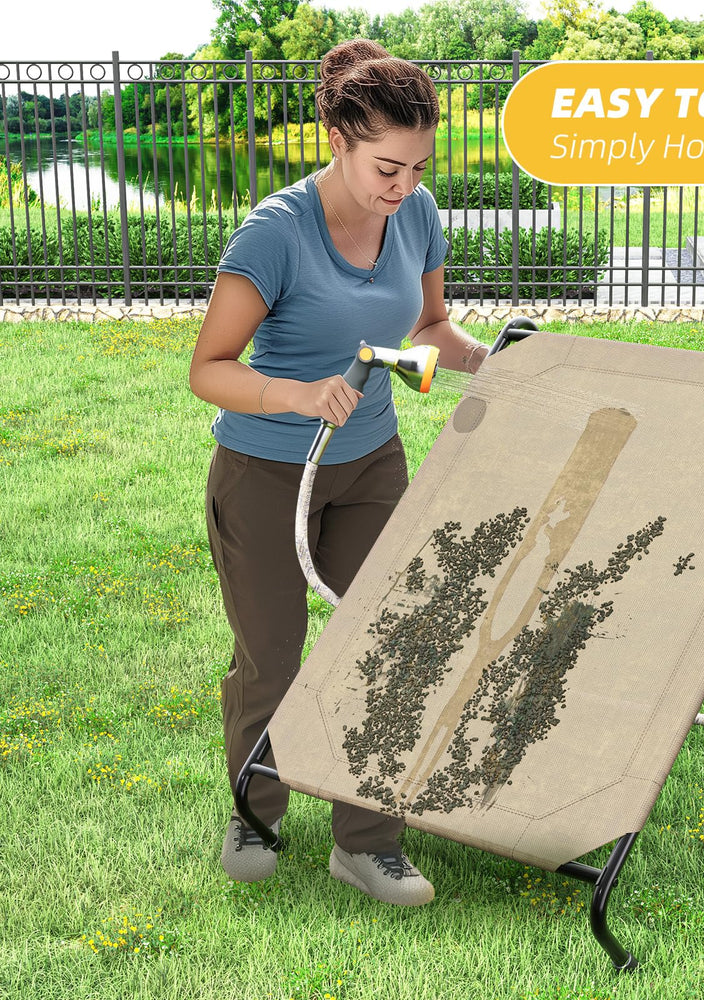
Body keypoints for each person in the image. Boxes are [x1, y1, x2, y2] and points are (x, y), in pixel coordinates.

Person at [189, 39, 488, 906]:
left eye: (417, 168)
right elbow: (209, 366)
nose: (401, 187)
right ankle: (255, 812)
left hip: (372, 466)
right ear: (338, 140)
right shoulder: (276, 232)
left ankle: (366, 842)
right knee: (273, 657)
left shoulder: (418, 213)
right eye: (385, 167)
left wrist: (494, 360)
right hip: (266, 471)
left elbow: (430, 329)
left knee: (394, 641)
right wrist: (296, 392)